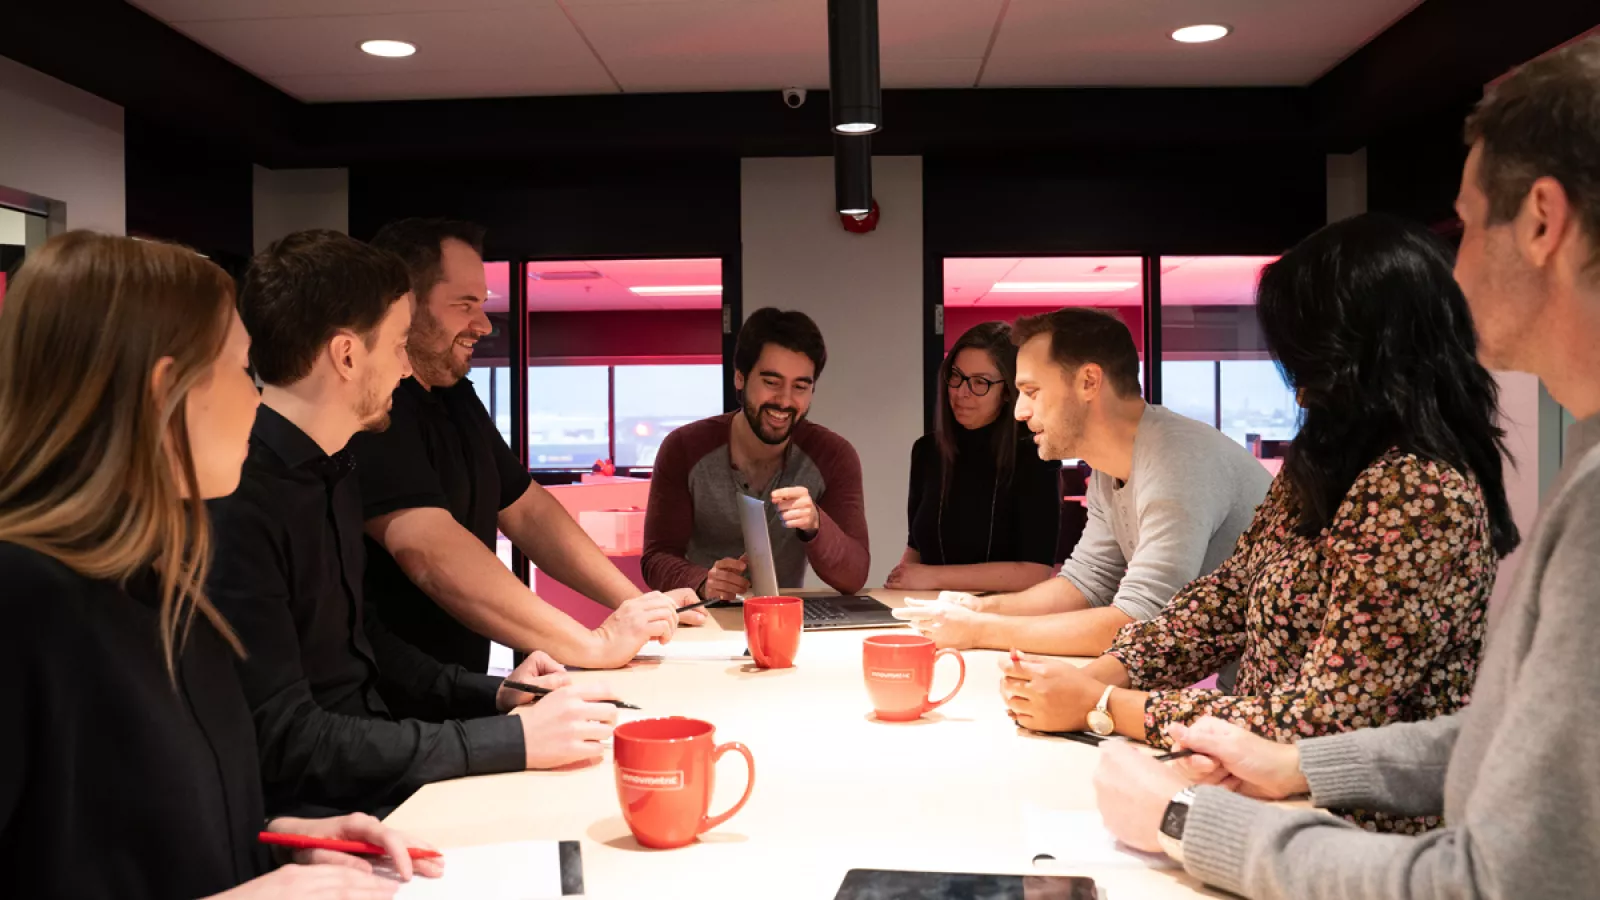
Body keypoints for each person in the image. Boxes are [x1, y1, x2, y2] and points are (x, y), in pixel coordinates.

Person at [1090, 37, 1600, 895]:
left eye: (1471, 223)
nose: (1459, 268)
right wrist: (1302, 767)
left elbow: (1497, 879)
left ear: (1544, 221)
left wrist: (1180, 808)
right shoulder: (1570, 461)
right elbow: (1495, 734)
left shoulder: (1443, 490)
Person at [1001, 213, 1519, 834]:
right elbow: (1224, 598)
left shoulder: (1419, 491)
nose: (1298, 389)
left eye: (1306, 357)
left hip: (1365, 839)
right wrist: (1102, 675)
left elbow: (1327, 720)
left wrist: (1108, 705)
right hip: (1272, 801)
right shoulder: (1330, 459)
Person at [0, 232, 437, 899]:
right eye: (243, 372)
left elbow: (128, 838)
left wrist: (281, 846)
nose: (256, 399)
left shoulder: (163, 582)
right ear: (166, 392)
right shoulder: (23, 605)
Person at [209, 231, 624, 819]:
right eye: (399, 344)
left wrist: (498, 693)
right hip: (331, 816)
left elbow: (365, 646)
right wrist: (510, 739)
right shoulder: (242, 498)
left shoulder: (335, 468)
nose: (407, 367)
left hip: (378, 772)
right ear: (348, 355)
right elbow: (287, 738)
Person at [349, 219, 702, 674]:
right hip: (393, 710)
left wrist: (637, 603)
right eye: (464, 305)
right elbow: (428, 550)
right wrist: (592, 645)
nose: (483, 322)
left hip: (460, 691)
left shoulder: (454, 394)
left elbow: (527, 509)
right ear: (405, 305)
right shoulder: (378, 408)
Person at [897, 308, 1272, 657]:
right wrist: (977, 606)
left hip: (1276, 702)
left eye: (1032, 392)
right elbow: (1085, 584)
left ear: (1089, 381)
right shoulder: (1109, 466)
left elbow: (1139, 622)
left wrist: (982, 630)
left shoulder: (1177, 456)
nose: (1019, 411)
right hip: (1238, 685)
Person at [642, 307, 869, 600]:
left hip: (782, 619)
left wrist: (816, 525)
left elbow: (854, 577)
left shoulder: (833, 455)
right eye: (771, 382)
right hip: (701, 615)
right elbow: (656, 557)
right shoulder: (685, 447)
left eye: (800, 386)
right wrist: (702, 580)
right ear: (740, 378)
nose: (785, 400)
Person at [885, 322, 1061, 593]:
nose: (961, 392)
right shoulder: (926, 451)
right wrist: (897, 588)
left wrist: (934, 578)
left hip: (1004, 615)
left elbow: (1035, 572)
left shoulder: (1035, 454)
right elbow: (916, 548)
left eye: (980, 382)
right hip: (930, 611)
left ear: (1006, 392)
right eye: (956, 376)